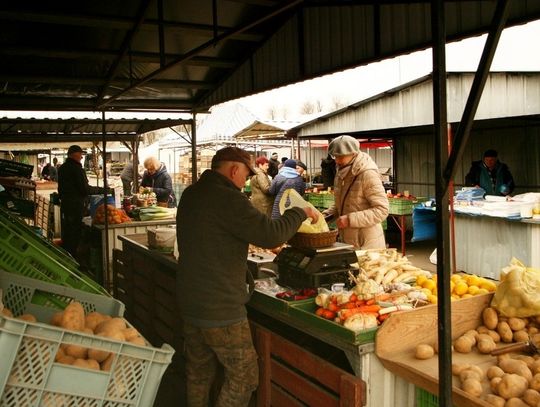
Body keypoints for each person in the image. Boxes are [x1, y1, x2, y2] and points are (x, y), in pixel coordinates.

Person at [176, 146, 319, 407]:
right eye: (246, 174)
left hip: (190, 300)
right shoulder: (229, 199)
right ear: (234, 170)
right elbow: (271, 235)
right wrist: (300, 212)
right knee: (244, 377)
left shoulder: (192, 193)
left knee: (198, 372)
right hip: (220, 307)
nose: (247, 180)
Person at [322, 135, 388, 250]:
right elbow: (341, 203)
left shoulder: (367, 174)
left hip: (366, 242)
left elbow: (382, 210)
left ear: (354, 153)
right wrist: (326, 216)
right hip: (347, 239)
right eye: (335, 156)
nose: (337, 161)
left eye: (341, 156)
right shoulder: (341, 172)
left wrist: (349, 219)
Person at [57, 145, 111, 260]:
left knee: (68, 231)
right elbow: (85, 189)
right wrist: (102, 190)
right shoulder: (76, 169)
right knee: (74, 232)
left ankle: (66, 256)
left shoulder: (62, 168)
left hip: (66, 204)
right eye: (80, 154)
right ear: (74, 154)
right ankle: (72, 259)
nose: (82, 157)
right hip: (76, 206)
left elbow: (61, 189)